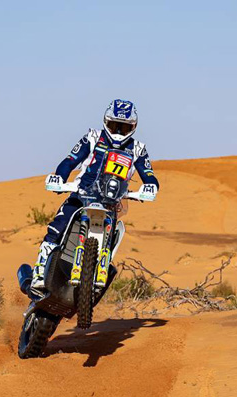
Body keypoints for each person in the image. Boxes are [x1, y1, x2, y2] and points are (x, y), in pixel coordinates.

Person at [31, 99, 160, 288]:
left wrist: (151, 186)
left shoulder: (138, 149)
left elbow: (148, 174)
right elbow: (70, 160)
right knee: (57, 227)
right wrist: (59, 177)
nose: (118, 132)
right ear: (106, 121)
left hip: (111, 203)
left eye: (124, 127)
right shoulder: (92, 137)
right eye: (114, 126)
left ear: (133, 127)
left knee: (114, 235)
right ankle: (39, 273)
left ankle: (101, 271)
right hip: (82, 195)